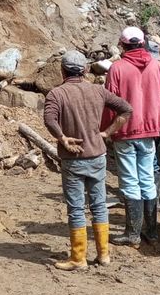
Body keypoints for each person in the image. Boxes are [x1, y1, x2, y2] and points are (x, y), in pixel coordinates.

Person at [44, 51, 132, 271]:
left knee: (76, 208)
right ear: (84, 70)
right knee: (99, 205)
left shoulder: (57, 94)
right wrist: (107, 133)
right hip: (98, 156)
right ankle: (104, 255)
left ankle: (78, 258)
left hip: (73, 159)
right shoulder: (98, 90)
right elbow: (126, 109)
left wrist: (62, 138)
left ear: (63, 71)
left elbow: (49, 119)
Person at [105, 26, 160, 246]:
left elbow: (109, 103)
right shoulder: (157, 67)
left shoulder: (117, 69)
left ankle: (132, 233)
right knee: (148, 179)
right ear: (142, 44)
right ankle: (151, 232)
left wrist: (107, 130)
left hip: (125, 133)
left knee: (130, 181)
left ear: (123, 45)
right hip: (150, 132)